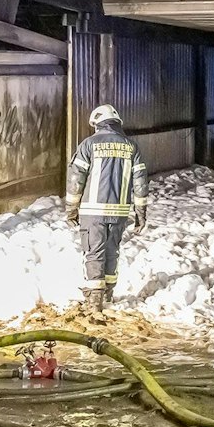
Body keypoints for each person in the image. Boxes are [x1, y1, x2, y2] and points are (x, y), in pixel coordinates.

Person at [64, 104, 149, 315]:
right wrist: (140, 213)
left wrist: (71, 209)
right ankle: (108, 295)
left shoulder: (88, 144)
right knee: (112, 252)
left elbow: (76, 180)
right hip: (120, 212)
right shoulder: (132, 147)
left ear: (97, 124)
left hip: (93, 212)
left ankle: (95, 302)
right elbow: (140, 183)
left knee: (94, 252)